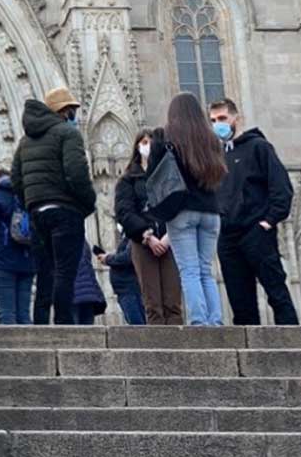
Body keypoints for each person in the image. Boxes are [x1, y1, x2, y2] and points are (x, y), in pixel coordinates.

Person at [11, 87, 97, 325]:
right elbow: (76, 173)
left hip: (37, 213)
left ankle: (40, 326)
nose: (73, 115)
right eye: (71, 110)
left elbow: (16, 179)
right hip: (65, 211)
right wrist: (88, 203)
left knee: (44, 274)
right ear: (63, 111)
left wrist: (31, 201)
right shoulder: (67, 134)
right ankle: (63, 326)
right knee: (65, 272)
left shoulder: (25, 141)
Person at [210, 98, 299, 325]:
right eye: (213, 120)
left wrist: (268, 221)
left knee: (276, 293)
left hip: (256, 231)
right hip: (228, 237)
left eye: (222, 118)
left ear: (235, 118)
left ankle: (293, 350)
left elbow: (281, 187)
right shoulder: (216, 156)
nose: (218, 124)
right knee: (240, 305)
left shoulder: (259, 147)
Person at [148, 93, 228, 326]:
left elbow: (152, 174)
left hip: (181, 210)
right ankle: (215, 320)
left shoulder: (164, 136)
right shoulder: (211, 139)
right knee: (206, 270)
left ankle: (198, 321)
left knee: (189, 271)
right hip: (211, 212)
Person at [114, 128, 183, 325]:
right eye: (143, 142)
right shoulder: (128, 179)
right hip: (143, 242)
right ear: (137, 147)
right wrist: (147, 235)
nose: (148, 146)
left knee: (173, 301)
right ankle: (159, 350)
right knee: (153, 303)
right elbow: (124, 212)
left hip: (169, 240)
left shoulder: (168, 174)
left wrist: (168, 236)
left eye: (151, 142)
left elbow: (177, 204)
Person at [0, 167, 36, 324]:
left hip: (2, 259)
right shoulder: (26, 193)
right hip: (27, 258)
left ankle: (13, 348)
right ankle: (29, 348)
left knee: (6, 314)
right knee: (23, 314)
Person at [96, 233, 147, 325]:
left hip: (129, 286)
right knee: (135, 323)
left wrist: (108, 259)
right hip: (124, 288)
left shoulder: (134, 233)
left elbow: (127, 257)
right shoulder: (126, 235)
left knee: (137, 324)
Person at [72, 241, 107, 325]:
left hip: (74, 292)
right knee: (88, 328)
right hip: (89, 293)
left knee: (73, 329)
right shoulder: (83, 242)